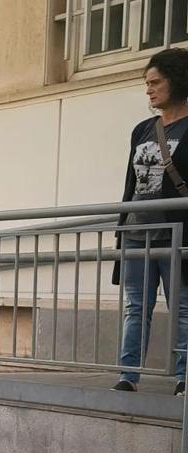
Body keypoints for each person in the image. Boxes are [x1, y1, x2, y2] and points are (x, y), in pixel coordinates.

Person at [113, 48, 188, 396]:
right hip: (136, 234)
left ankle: (183, 377)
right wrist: (122, 226)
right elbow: (130, 184)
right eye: (146, 83)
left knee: (183, 308)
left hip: (176, 235)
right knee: (135, 308)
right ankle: (128, 376)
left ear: (177, 80)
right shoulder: (143, 129)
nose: (149, 90)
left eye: (155, 82)